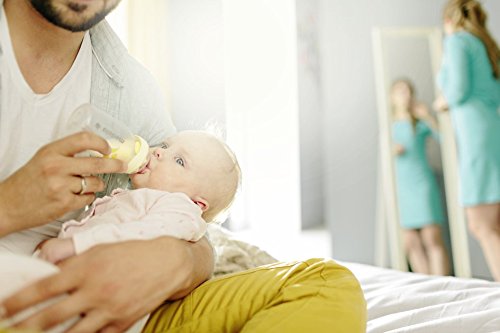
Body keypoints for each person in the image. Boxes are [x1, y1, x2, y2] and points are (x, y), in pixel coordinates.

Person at [0, 1, 366, 332]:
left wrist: (174, 262)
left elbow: (190, 222)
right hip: (26, 295)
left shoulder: (130, 86)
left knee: (325, 283)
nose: (158, 152)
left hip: (123, 311)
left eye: (170, 153)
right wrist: (10, 205)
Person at [37, 130, 240, 264]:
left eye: (179, 161)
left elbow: (138, 235)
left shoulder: (180, 210)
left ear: (197, 203)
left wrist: (73, 245)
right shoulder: (143, 199)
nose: (159, 152)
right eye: (166, 145)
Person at [434, 0, 500, 281]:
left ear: (449, 19)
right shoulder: (485, 44)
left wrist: (443, 101)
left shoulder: (458, 41)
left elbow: (458, 89)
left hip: (475, 133)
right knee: (493, 221)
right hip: (492, 127)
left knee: (481, 224)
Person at [391, 79, 450, 276]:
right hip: (402, 188)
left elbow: (444, 138)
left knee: (431, 237)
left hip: (422, 183)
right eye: (400, 91)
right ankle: (427, 286)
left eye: (408, 91)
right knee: (410, 242)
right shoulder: (390, 125)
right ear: (392, 97)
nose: (405, 95)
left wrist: (427, 117)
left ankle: (442, 284)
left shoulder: (419, 121)